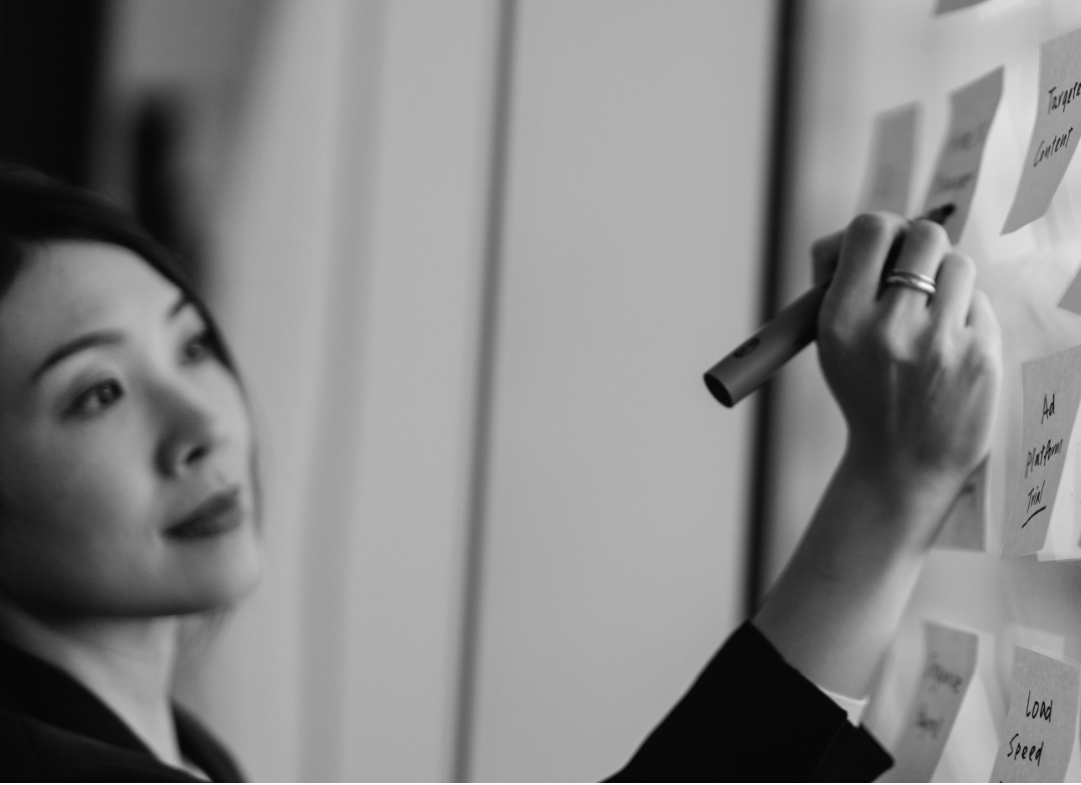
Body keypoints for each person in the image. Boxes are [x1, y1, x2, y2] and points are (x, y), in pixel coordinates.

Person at [0, 165, 1000, 780]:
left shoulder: (178, 753)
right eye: (96, 392)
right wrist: (890, 489)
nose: (201, 425)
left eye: (191, 346)